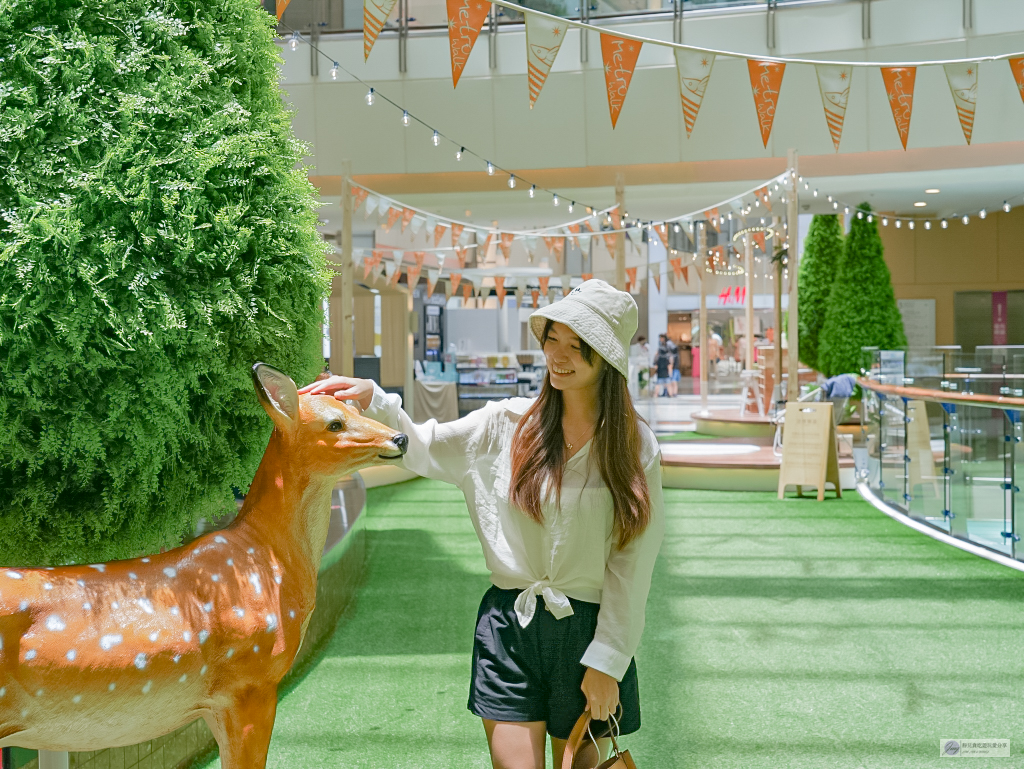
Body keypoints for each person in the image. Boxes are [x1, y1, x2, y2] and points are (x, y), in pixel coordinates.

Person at [300, 279, 665, 769]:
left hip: (590, 632)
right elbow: (425, 446)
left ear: (608, 358)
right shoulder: (505, 424)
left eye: (577, 347)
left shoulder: (635, 446)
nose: (558, 355)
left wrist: (609, 659)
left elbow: (633, 561)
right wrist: (376, 400)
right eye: (552, 338)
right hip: (510, 625)